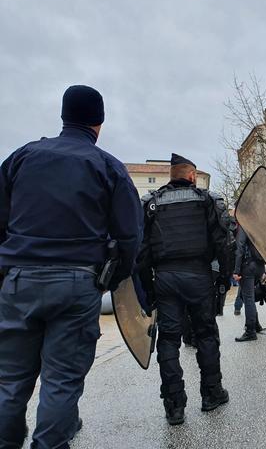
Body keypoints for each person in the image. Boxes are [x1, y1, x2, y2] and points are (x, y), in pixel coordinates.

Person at [0, 85, 142, 448]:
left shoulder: (21, 157)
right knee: (61, 381)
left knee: (9, 379)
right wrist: (114, 277)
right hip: (77, 282)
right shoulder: (108, 166)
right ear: (99, 123)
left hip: (19, 280)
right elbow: (129, 235)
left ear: (64, 116)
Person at [138, 153, 231, 425]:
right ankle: (212, 394)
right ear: (191, 175)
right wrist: (224, 278)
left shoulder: (152, 203)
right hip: (199, 276)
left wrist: (149, 290)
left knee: (168, 340)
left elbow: (141, 253)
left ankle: (174, 406)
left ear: (171, 175)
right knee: (206, 335)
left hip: (165, 278)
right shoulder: (207, 200)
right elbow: (223, 242)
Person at [233, 225, 266, 341]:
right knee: (249, 297)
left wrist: (236, 270)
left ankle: (250, 331)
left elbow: (240, 247)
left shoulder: (244, 224)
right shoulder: (258, 224)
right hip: (259, 266)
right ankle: (256, 325)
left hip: (247, 266)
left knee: (248, 299)